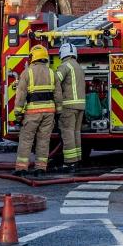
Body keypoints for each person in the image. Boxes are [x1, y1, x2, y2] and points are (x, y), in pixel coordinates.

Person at [12, 44, 60, 177]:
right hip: (49, 112)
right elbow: (58, 94)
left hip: (33, 113)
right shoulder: (52, 72)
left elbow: (21, 94)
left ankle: (22, 168)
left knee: (26, 140)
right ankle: (41, 168)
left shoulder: (27, 72)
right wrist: (59, 111)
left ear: (33, 57)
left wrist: (18, 113)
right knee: (44, 140)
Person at [56, 42, 86, 172]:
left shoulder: (65, 66)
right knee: (76, 132)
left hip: (68, 105)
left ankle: (70, 162)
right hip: (80, 106)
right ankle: (77, 159)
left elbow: (55, 81)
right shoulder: (78, 66)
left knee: (67, 133)